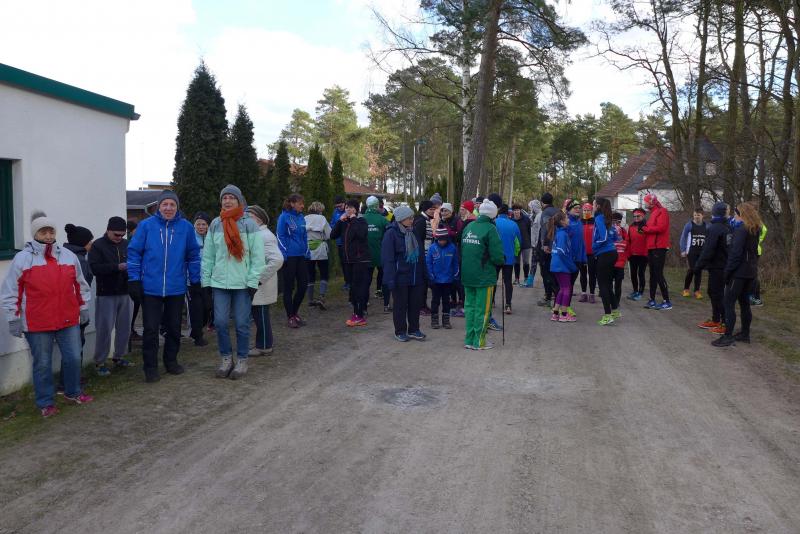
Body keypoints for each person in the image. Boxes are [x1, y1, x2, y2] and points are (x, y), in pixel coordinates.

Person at [1, 211, 94, 417]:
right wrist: (13, 318)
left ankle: (72, 392)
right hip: (37, 322)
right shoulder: (23, 259)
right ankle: (45, 402)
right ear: (35, 234)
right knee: (42, 364)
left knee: (73, 358)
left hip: (67, 318)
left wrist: (83, 307)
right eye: (43, 232)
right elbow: (11, 291)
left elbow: (80, 285)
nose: (48, 235)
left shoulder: (68, 256)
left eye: (51, 231)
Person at [128, 190, 201, 383]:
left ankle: (171, 361)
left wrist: (195, 281)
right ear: (158, 207)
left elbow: (193, 255)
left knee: (174, 328)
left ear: (177, 207)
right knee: (151, 329)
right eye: (165, 204)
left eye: (172, 204)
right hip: (150, 287)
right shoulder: (146, 226)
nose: (168, 208)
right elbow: (134, 253)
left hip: (176, 287)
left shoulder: (186, 228)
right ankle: (150, 367)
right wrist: (134, 279)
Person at [202, 185, 266, 379]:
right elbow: (208, 256)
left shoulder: (249, 225)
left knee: (241, 323)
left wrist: (253, 282)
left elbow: (258, 257)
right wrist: (206, 282)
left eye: (231, 198)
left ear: (239, 201)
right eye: (225, 198)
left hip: (243, 284)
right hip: (219, 283)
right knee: (220, 322)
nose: (228, 201)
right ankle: (226, 359)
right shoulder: (215, 224)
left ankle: (242, 360)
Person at [88, 216, 133, 376]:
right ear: (108, 230)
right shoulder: (98, 246)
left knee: (125, 327)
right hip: (106, 293)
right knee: (104, 329)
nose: (119, 237)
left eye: (122, 235)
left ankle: (119, 356)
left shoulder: (127, 244)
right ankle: (100, 361)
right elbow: (94, 268)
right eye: (116, 234)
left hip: (125, 292)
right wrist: (117, 267)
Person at [713, 203, 763, 347]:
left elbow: (735, 254)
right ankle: (745, 334)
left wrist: (727, 272)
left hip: (739, 273)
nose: (734, 216)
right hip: (751, 272)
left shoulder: (741, 230)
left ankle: (728, 336)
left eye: (736, 214)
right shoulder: (755, 229)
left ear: (742, 215)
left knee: (728, 303)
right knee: (744, 304)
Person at [460, 199, 505, 350]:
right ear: (493, 214)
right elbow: (497, 255)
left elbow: (462, 248)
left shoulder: (469, 226)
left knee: (470, 308)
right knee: (483, 310)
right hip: (484, 276)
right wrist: (502, 260)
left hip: (467, 274)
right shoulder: (491, 229)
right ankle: (479, 341)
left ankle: (469, 339)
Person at [382, 205, 427, 342]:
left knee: (415, 304)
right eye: (409, 218)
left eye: (412, 217)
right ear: (401, 219)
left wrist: (424, 272)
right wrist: (390, 279)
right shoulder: (391, 234)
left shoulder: (413, 232)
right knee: (400, 306)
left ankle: (414, 329)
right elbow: (388, 258)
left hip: (415, 276)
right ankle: (400, 331)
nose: (412, 220)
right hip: (399, 276)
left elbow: (420, 254)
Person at [58, 223, 94, 392]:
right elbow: (82, 286)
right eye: (89, 241)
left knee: (71, 346)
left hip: (65, 309)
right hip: (75, 309)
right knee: (75, 346)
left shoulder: (64, 255)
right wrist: (83, 309)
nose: (91, 244)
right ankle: (70, 381)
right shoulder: (79, 260)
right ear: (82, 243)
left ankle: (68, 379)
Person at [246, 205, 284, 357]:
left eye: (249, 217)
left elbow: (277, 260)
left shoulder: (265, 236)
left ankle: (264, 346)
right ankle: (262, 343)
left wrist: (259, 279)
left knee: (261, 315)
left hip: (261, 285)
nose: (245, 220)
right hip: (257, 284)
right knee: (259, 315)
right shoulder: (256, 234)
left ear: (259, 220)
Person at [331, 199, 371, 326]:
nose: (348, 209)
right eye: (347, 207)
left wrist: (353, 219)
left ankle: (359, 315)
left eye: (351, 207)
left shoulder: (361, 221)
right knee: (353, 288)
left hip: (360, 259)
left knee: (358, 287)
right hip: (348, 260)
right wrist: (339, 221)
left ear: (356, 210)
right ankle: (357, 312)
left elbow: (361, 234)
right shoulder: (344, 222)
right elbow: (332, 235)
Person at [695, 202, 732, 334]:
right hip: (720, 265)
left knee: (717, 294)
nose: (729, 213)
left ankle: (725, 323)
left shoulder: (716, 228)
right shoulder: (725, 226)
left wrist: (698, 265)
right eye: (728, 211)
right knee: (712, 292)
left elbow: (708, 249)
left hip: (719, 266)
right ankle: (716, 319)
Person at [277, 194, 310, 328]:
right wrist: (284, 254)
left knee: (303, 285)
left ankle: (295, 312)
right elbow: (280, 236)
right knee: (288, 288)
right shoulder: (284, 217)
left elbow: (304, 236)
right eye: (300, 203)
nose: (303, 206)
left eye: (303, 203)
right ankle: (290, 317)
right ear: (292, 204)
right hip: (289, 257)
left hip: (301, 256)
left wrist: (307, 251)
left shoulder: (301, 217)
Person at [641, 193, 672, 310]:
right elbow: (651, 229)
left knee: (658, 273)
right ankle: (652, 300)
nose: (644, 203)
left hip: (659, 246)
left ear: (651, 202)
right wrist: (643, 230)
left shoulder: (662, 211)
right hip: (651, 247)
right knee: (653, 274)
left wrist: (646, 229)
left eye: (646, 201)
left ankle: (667, 301)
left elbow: (661, 228)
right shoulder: (653, 213)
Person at [593, 197, 620, 326]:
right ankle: (615, 310)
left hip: (605, 254)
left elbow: (603, 237)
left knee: (603, 285)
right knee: (607, 284)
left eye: (593, 204)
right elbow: (616, 237)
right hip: (612, 253)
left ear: (598, 206)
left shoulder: (599, 218)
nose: (592, 207)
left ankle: (607, 315)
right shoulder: (607, 217)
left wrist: (595, 246)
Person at [426, 227, 459, 330]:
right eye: (440, 240)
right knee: (435, 301)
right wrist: (431, 276)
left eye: (444, 239)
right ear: (437, 239)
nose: (442, 242)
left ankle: (446, 320)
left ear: (447, 238)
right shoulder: (432, 248)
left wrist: (455, 275)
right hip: (436, 280)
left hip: (448, 280)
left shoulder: (452, 248)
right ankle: (434, 320)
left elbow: (455, 263)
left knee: (446, 301)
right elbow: (428, 263)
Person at [188, 212, 213, 345]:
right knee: (196, 309)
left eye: (204, 224)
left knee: (207, 307)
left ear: (208, 226)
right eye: (198, 224)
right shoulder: (190, 238)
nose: (201, 227)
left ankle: (196, 331)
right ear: (194, 225)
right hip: (193, 281)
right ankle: (197, 336)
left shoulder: (212, 238)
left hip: (208, 280)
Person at [549, 211, 578, 323]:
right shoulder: (562, 234)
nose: (568, 219)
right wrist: (571, 265)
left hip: (556, 265)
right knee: (567, 289)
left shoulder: (561, 233)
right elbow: (561, 252)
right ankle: (564, 314)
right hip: (562, 266)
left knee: (562, 288)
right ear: (562, 221)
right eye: (566, 218)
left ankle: (556, 313)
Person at [364, 195, 391, 312]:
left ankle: (364, 305)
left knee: (366, 279)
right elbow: (390, 234)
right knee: (385, 277)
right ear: (377, 206)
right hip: (381, 253)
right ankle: (386, 305)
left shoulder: (362, 218)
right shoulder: (382, 219)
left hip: (366, 254)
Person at [495, 203, 521, 314]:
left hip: (495, 257)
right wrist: (515, 255)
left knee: (493, 279)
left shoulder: (493, 223)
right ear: (508, 213)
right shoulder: (514, 224)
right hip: (509, 257)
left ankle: (491, 301)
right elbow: (519, 242)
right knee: (508, 281)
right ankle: (508, 305)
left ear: (498, 212)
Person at [305, 201, 332, 310]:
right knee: (324, 273)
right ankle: (321, 297)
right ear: (320, 210)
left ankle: (310, 300)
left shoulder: (304, 218)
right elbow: (329, 234)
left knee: (310, 274)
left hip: (308, 248)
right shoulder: (322, 219)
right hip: (320, 248)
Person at [537, 193, 559, 307]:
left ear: (542, 202)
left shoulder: (545, 212)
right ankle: (556, 297)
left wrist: (545, 244)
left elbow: (547, 228)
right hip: (557, 246)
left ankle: (548, 297)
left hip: (548, 247)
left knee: (546, 272)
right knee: (554, 272)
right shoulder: (558, 211)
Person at [565, 200, 587, 317]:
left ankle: (565, 306)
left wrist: (583, 258)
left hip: (578, 259)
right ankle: (564, 307)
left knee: (571, 284)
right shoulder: (566, 223)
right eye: (575, 208)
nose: (578, 210)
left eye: (579, 208)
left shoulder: (579, 222)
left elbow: (582, 242)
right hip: (568, 259)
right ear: (569, 210)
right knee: (566, 285)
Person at [680, 208, 707, 299]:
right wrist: (683, 250)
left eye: (698, 215)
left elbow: (709, 239)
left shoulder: (707, 226)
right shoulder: (689, 225)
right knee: (692, 269)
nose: (696, 217)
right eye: (695, 215)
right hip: (691, 251)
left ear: (702, 215)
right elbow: (683, 238)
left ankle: (697, 291)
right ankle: (686, 289)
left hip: (702, 252)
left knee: (698, 270)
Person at [626, 208, 648, 300]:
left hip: (643, 255)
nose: (636, 218)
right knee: (633, 274)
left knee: (641, 273)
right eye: (634, 216)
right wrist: (628, 253)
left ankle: (640, 292)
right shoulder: (631, 227)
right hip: (633, 255)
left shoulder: (647, 227)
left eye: (638, 216)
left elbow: (649, 241)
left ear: (643, 216)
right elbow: (628, 241)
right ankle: (635, 291)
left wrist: (647, 253)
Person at [579, 203, 597, 303]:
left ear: (591, 211)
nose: (586, 212)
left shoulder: (595, 222)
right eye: (584, 210)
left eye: (588, 210)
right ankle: (583, 293)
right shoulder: (579, 222)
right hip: (582, 253)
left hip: (592, 253)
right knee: (583, 274)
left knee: (592, 274)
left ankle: (592, 294)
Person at [611, 212, 629, 315]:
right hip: (610, 262)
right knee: (609, 283)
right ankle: (610, 300)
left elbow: (627, 243)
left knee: (618, 284)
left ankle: (616, 302)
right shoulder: (608, 230)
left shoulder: (623, 231)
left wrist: (625, 257)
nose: (616, 224)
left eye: (618, 222)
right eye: (614, 221)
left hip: (620, 262)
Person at [330, 196, 349, 290]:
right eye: (337, 206)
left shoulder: (349, 211)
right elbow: (332, 224)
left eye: (340, 206)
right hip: (340, 242)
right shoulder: (335, 212)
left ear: (344, 203)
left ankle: (352, 281)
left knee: (349, 262)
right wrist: (338, 224)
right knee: (343, 263)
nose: (339, 208)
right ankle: (347, 282)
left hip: (349, 242)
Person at [511, 204, 532, 286]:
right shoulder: (511, 220)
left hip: (526, 244)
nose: (516, 212)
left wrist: (529, 241)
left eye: (518, 210)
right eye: (515, 210)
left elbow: (529, 231)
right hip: (515, 245)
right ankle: (517, 279)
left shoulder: (526, 219)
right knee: (516, 262)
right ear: (513, 211)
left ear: (520, 210)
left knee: (526, 262)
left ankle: (526, 278)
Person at [749, 223, 768, 306]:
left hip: (753, 251)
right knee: (752, 274)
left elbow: (764, 229)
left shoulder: (752, 220)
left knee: (752, 275)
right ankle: (754, 297)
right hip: (754, 250)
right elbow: (764, 229)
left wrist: (758, 240)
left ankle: (754, 298)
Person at [525, 199, 542, 287]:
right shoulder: (533, 216)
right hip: (534, 243)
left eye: (531, 207)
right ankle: (530, 281)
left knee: (541, 263)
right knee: (534, 262)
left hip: (539, 243)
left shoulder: (540, 215)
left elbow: (539, 230)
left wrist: (537, 243)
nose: (530, 209)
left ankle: (546, 281)